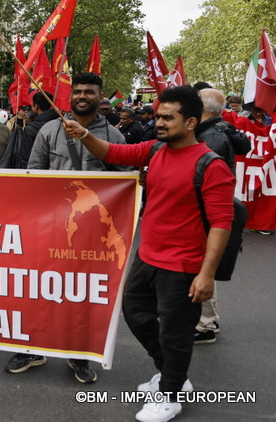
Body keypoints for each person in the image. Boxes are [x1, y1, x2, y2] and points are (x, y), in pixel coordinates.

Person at [62, 85, 234, 422]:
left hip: (183, 266)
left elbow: (221, 224)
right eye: (157, 116)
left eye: (168, 118)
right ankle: (171, 374)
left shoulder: (210, 165)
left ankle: (170, 394)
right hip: (147, 257)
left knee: (175, 332)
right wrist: (83, 134)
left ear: (191, 123)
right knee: (135, 314)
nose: (159, 122)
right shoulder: (155, 150)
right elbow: (112, 153)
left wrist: (207, 274)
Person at [9, 72, 129, 384]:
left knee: (84, 295)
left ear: (100, 97)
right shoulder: (50, 130)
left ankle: (79, 355)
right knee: (39, 289)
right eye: (77, 91)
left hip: (94, 234)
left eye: (89, 91)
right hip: (53, 228)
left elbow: (127, 181)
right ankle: (31, 348)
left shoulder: (114, 137)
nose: (82, 96)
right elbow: (34, 172)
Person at [193, 88, 251, 344]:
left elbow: (201, 177)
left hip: (207, 209)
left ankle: (206, 324)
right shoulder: (220, 129)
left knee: (203, 264)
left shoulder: (211, 137)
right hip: (214, 207)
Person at [0, 91, 59, 169]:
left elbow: (25, 158)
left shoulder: (31, 129)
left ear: (36, 106)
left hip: (37, 173)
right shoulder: (61, 124)